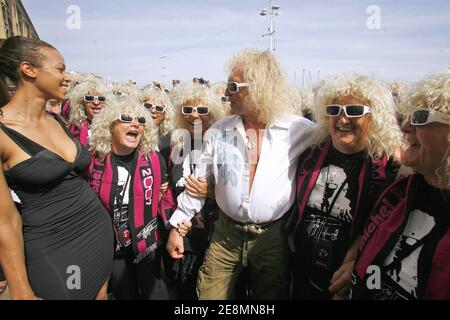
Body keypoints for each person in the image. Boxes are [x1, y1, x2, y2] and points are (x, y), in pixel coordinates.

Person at [166, 48, 316, 299]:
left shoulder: (299, 130)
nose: (225, 93)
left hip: (272, 239)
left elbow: (344, 140)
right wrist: (177, 228)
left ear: (260, 87)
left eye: (233, 86)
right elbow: (198, 183)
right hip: (225, 235)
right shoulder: (218, 130)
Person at [0, 36, 113, 300]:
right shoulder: (3, 132)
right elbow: (4, 220)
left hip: (97, 232)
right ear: (29, 70)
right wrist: (20, 288)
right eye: (60, 69)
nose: (66, 77)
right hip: (50, 246)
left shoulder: (59, 120)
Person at [291, 75, 403, 300]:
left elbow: (384, 227)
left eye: (353, 110)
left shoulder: (386, 167)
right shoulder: (310, 154)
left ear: (374, 117)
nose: (342, 120)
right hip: (301, 272)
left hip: (347, 280)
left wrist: (357, 262)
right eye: (334, 110)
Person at [351, 74, 450, 300]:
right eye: (408, 117)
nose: (405, 127)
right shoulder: (400, 190)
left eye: (420, 117)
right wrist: (353, 271)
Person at [87, 96, 172, 300]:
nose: (136, 123)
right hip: (111, 244)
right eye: (126, 118)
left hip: (147, 241)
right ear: (110, 126)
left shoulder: (154, 159)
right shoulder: (93, 161)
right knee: (124, 293)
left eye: (141, 121)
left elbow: (166, 195)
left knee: (156, 294)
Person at [167, 83, 225, 299]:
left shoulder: (224, 146)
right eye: (187, 110)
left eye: (202, 110)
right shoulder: (175, 147)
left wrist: (212, 192)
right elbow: (166, 191)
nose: (194, 115)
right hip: (182, 235)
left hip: (216, 239)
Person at [67, 79, 112, 147]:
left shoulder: (113, 128)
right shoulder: (73, 129)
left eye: (101, 99)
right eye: (89, 98)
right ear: (81, 103)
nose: (96, 102)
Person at [140, 86, 175, 163]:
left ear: (165, 114)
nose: (153, 110)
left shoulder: (171, 138)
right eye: (148, 106)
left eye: (159, 108)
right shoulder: (133, 133)